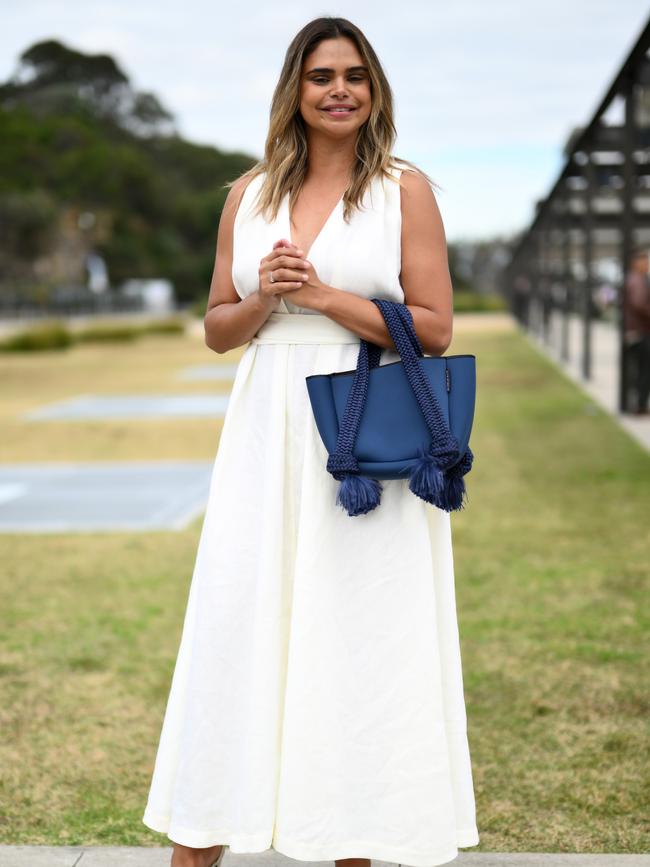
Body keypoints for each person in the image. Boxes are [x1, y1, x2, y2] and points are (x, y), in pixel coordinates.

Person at [142, 16, 480, 867]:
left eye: (356, 76)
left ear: (375, 92)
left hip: (362, 437)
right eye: (322, 74)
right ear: (295, 88)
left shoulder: (404, 190)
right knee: (237, 620)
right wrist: (267, 299)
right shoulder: (247, 196)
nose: (340, 90)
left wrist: (326, 297)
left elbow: (435, 327)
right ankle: (204, 836)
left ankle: (351, 840)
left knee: (357, 634)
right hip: (265, 431)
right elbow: (219, 328)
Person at [623, 247, 650, 414]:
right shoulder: (638, 280)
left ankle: (636, 404)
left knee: (639, 369)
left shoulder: (632, 279)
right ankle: (639, 405)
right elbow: (639, 304)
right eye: (645, 261)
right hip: (641, 332)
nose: (647, 264)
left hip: (634, 331)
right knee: (644, 370)